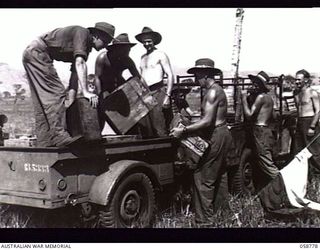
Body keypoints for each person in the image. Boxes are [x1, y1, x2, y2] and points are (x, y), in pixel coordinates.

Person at [22, 22, 115, 147]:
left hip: (32, 53)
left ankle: (44, 140)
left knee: (41, 102)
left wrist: (71, 101)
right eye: (106, 42)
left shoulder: (86, 48)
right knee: (56, 94)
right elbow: (80, 63)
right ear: (97, 36)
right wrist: (86, 92)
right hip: (38, 53)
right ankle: (60, 136)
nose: (105, 46)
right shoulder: (82, 33)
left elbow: (75, 76)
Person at [170, 58, 233, 224]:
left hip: (216, 134)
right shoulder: (215, 90)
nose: (197, 80)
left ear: (205, 75)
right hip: (221, 133)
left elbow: (207, 121)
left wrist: (183, 130)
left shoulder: (212, 92)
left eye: (197, 76)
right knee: (219, 175)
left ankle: (204, 221)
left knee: (202, 177)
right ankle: (222, 215)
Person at [92, 33, 140, 133]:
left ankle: (128, 133)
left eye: (129, 49)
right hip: (104, 86)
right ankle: (97, 135)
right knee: (102, 110)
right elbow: (97, 77)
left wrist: (129, 84)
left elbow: (137, 76)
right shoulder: (102, 58)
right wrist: (99, 94)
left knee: (125, 115)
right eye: (125, 49)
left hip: (119, 86)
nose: (127, 52)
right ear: (117, 48)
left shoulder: (127, 60)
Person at [241, 71, 279, 190]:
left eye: (257, 83)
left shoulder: (261, 97)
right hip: (265, 130)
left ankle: (284, 187)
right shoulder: (268, 98)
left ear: (262, 85)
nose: (254, 85)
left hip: (260, 131)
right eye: (253, 82)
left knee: (267, 164)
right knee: (264, 161)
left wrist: (243, 99)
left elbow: (249, 115)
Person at [135, 26, 174, 137]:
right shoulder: (142, 57)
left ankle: (165, 152)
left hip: (158, 91)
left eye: (149, 41)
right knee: (147, 127)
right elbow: (142, 76)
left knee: (160, 125)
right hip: (146, 94)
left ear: (154, 41)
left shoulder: (160, 54)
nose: (147, 44)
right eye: (144, 42)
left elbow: (170, 75)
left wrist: (167, 96)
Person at [293, 69, 320, 174]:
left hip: (309, 122)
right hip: (300, 122)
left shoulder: (312, 93)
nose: (297, 82)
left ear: (306, 80)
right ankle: (306, 176)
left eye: (299, 80)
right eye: (296, 80)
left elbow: (318, 111)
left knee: (314, 151)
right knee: (298, 151)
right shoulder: (296, 93)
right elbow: (298, 109)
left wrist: (312, 126)